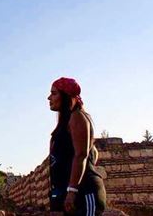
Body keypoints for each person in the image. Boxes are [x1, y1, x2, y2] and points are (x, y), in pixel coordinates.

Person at [48, 77, 106, 216]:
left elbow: (82, 155)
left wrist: (72, 191)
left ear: (66, 96)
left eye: (54, 93)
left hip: (83, 193)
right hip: (70, 193)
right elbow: (92, 152)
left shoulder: (77, 117)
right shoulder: (65, 122)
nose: (49, 97)